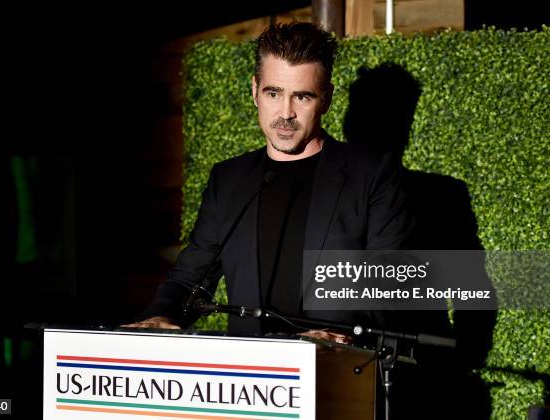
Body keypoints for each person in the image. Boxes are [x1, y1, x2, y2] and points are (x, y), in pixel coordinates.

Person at [124, 22, 412, 344]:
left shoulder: (372, 175)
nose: (285, 113)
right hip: (251, 380)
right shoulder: (230, 179)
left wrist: (342, 335)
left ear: (326, 99)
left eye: (302, 97)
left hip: (339, 376)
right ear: (255, 91)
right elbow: (191, 276)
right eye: (274, 93)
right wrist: (161, 315)